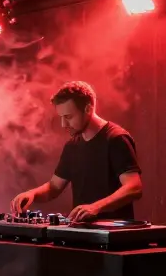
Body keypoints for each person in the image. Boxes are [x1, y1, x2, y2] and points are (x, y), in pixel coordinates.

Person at [11, 81, 143, 222]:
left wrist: (96, 207)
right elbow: (54, 187)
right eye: (61, 117)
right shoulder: (72, 146)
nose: (63, 124)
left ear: (88, 109)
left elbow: (134, 187)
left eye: (68, 117)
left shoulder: (116, 139)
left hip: (114, 232)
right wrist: (32, 194)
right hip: (82, 231)